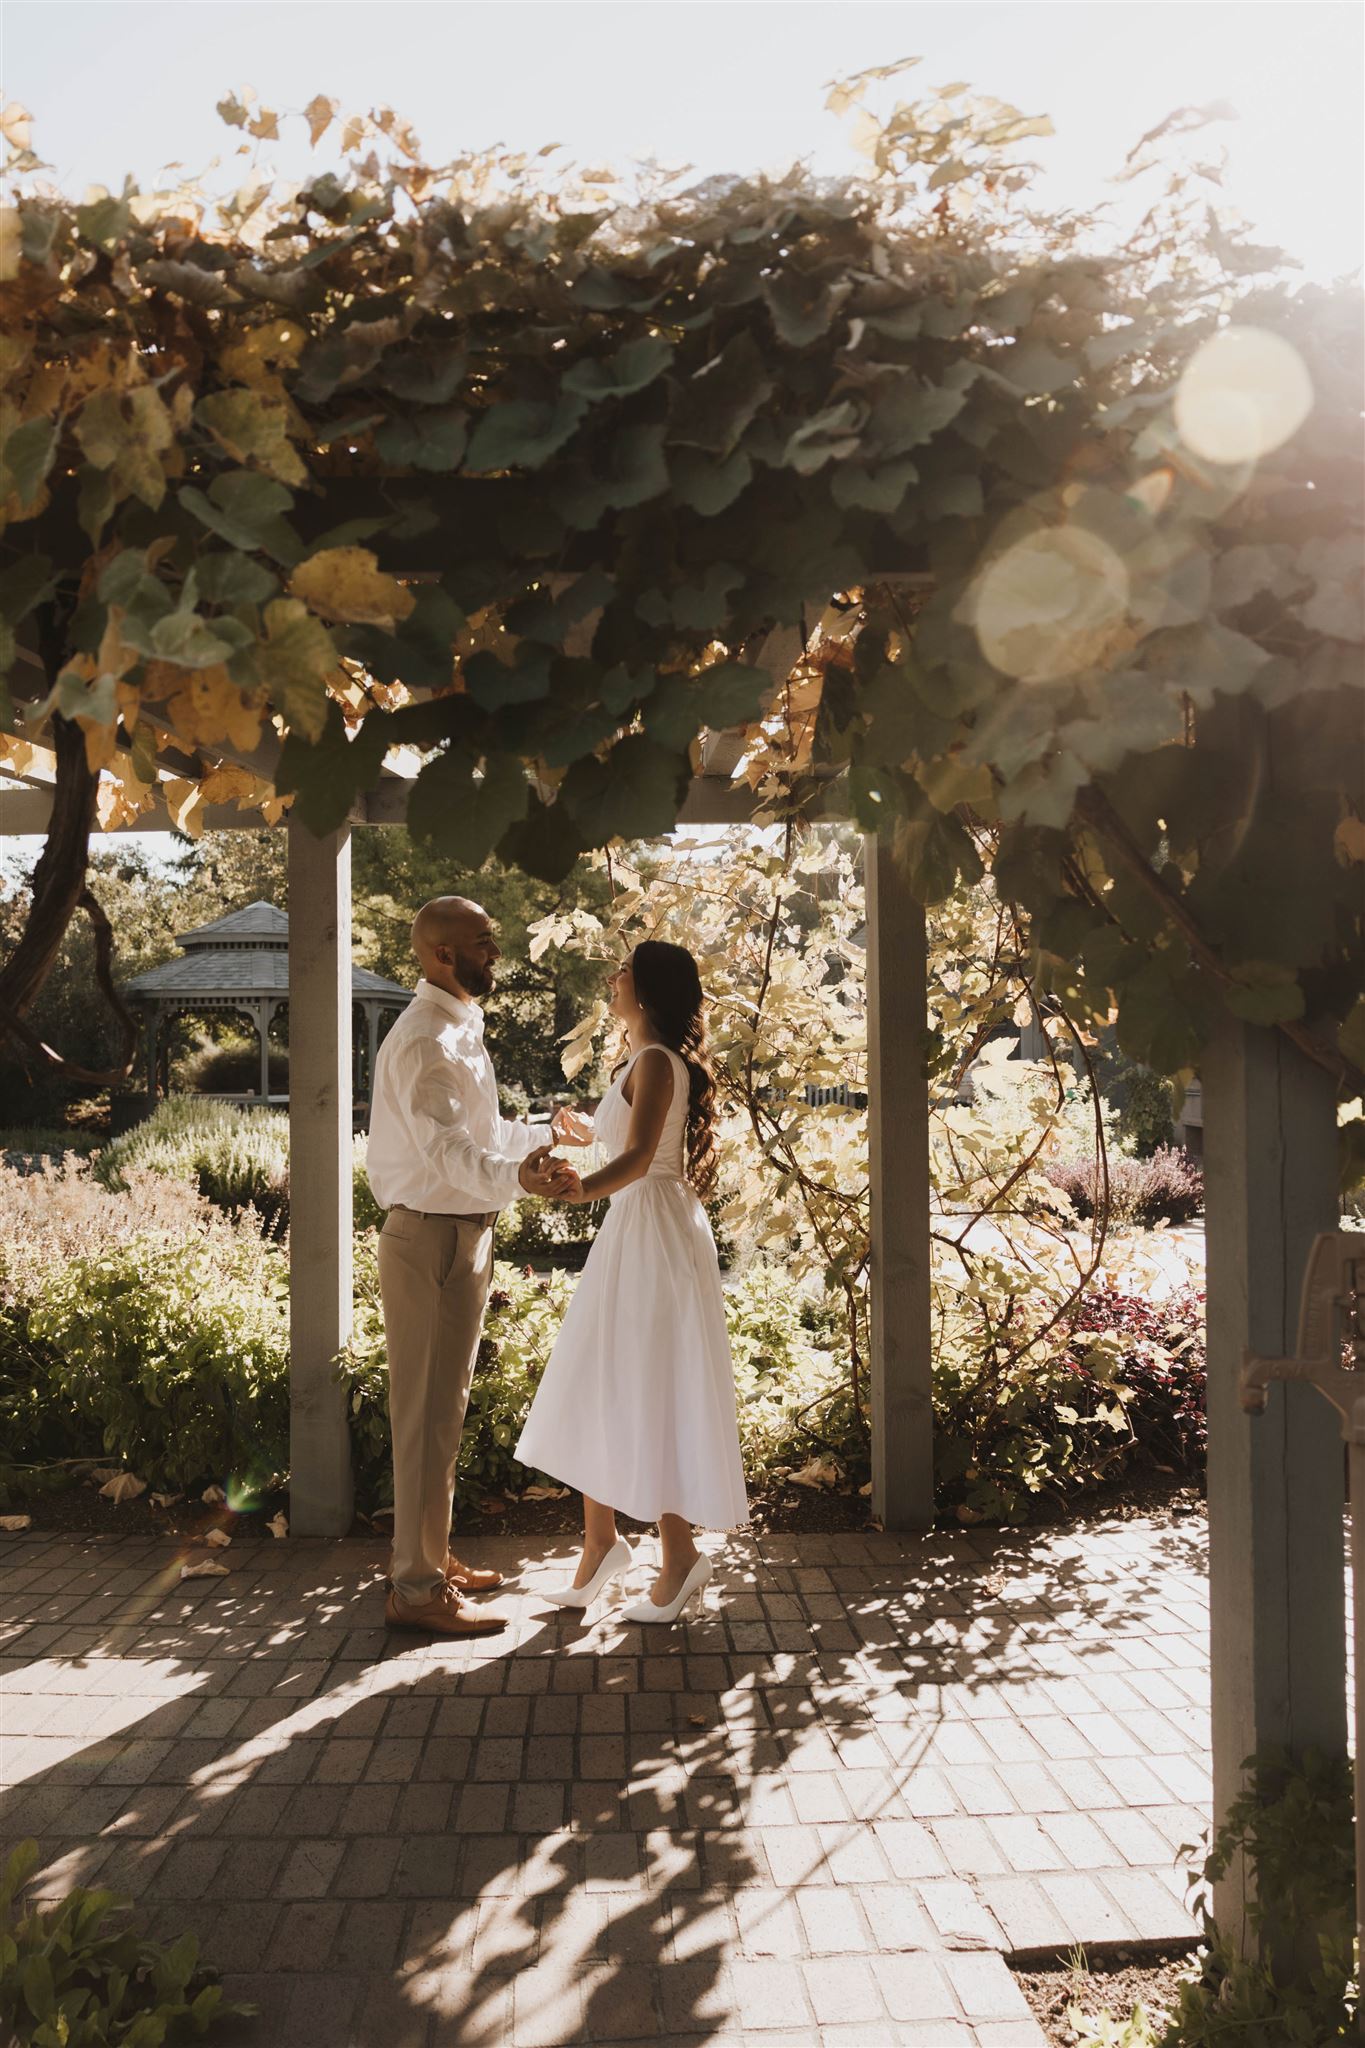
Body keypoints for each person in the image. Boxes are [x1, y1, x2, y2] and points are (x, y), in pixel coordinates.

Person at [515, 939, 749, 1625]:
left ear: (644, 990)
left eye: (621, 971)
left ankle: (675, 1559)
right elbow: (630, 1140)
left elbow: (645, 1157)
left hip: (651, 1231)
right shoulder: (638, 1062)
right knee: (603, 1379)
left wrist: (577, 1190)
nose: (610, 979)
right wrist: (586, 1132)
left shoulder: (653, 1060)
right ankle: (600, 1543)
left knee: (644, 1385)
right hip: (641, 1227)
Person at [367, 895, 582, 1638]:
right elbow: (447, 1156)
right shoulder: (425, 1039)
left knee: (443, 1412)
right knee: (423, 1415)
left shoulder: (459, 1026)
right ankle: (417, 1592)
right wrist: (519, 1179)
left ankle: (428, 1557)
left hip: (462, 1235)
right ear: (436, 954)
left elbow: (480, 1136)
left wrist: (543, 1136)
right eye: (481, 944)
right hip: (428, 1238)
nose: (495, 954)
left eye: (491, 941)